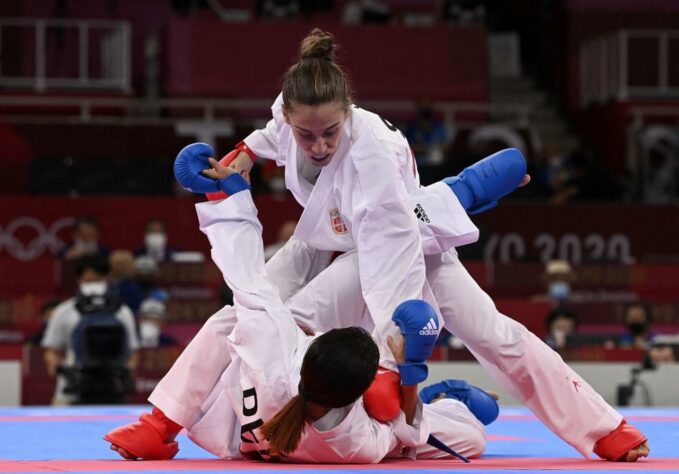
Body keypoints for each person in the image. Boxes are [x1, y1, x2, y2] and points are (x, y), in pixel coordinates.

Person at [176, 29, 648, 461]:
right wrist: (243, 153)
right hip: (325, 245)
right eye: (306, 135)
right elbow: (274, 133)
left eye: (329, 134)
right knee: (248, 313)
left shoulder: (372, 156)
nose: (316, 146)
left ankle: (603, 428)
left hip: (407, 245)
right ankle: (162, 420)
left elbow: (390, 263)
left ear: (348, 116)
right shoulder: (295, 108)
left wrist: (389, 362)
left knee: (493, 334)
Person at [105, 172, 491, 462]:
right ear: (359, 393)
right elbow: (402, 429)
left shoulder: (273, 350)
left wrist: (229, 199)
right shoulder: (356, 442)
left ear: (312, 348)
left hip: (241, 400)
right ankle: (443, 204)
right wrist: (409, 373)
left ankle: (160, 424)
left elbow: (246, 277)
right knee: (472, 441)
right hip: (268, 410)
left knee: (233, 316)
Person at [41, 254, 140, 405]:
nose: (93, 285)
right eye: (88, 280)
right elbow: (51, 350)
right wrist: (61, 369)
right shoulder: (64, 311)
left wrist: (126, 374)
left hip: (112, 387)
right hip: (71, 390)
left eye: (98, 280)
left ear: (107, 280)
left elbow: (134, 352)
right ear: (79, 280)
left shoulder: (122, 311)